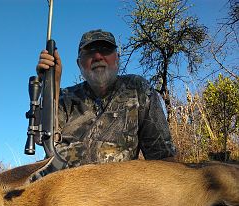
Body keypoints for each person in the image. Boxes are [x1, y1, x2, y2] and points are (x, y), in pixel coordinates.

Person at [37, 29, 176, 168]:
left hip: (118, 187)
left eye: (106, 50)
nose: (97, 56)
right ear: (79, 64)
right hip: (63, 184)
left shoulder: (138, 89)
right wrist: (52, 83)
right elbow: (42, 138)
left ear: (117, 58)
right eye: (89, 52)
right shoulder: (65, 97)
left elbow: (163, 158)